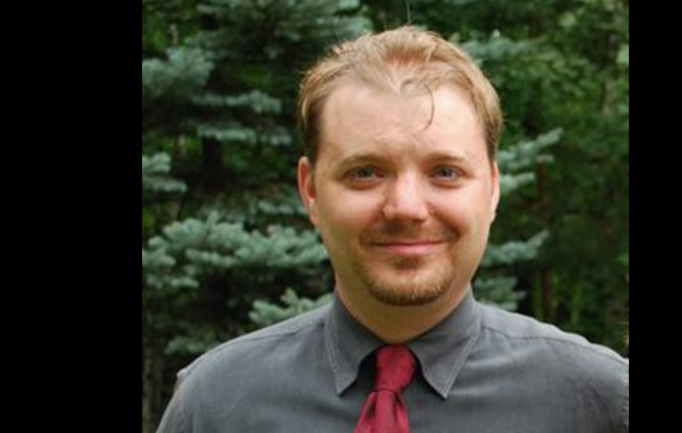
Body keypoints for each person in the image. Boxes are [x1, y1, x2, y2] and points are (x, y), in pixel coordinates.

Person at [156, 26, 628, 433]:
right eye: (365, 172)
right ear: (311, 190)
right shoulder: (215, 404)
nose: (406, 208)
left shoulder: (599, 404)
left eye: (445, 172)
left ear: (492, 189)